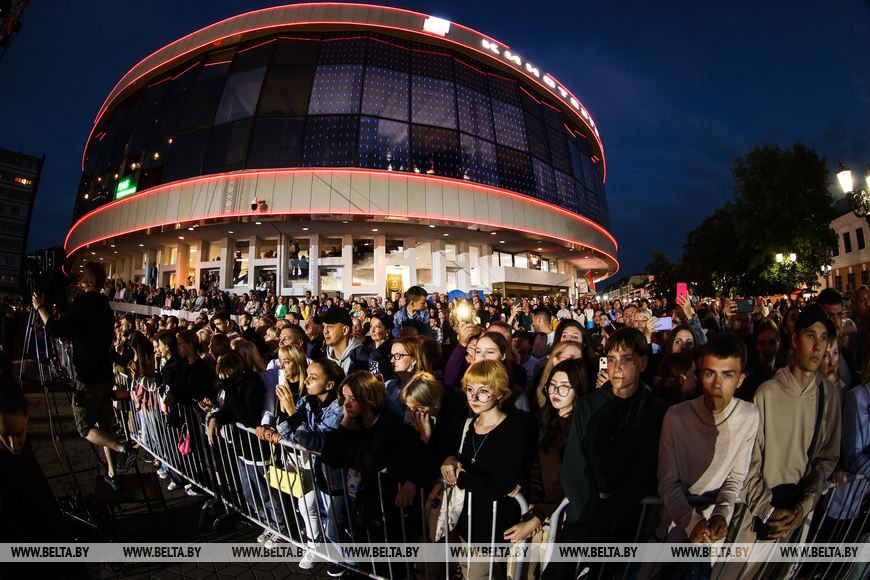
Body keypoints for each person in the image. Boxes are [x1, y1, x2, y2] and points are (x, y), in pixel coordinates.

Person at [733, 304, 842, 578]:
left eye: (823, 338)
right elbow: (748, 461)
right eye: (810, 336)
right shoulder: (766, 393)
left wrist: (802, 508)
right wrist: (765, 509)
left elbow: (826, 460)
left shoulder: (830, 397)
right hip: (757, 520)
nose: (817, 346)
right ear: (794, 340)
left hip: (796, 519)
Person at [555, 327, 667, 579]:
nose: (617, 367)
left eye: (626, 359)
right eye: (612, 359)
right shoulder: (587, 405)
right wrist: (593, 515)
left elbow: (647, 468)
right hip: (584, 520)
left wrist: (615, 512)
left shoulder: (656, 410)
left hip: (630, 522)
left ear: (642, 362)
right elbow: (574, 466)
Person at [32, 261, 136, 490]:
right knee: (105, 428)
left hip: (87, 378)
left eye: (84, 274)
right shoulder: (105, 307)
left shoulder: (82, 303)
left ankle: (122, 448)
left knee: (85, 428)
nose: (79, 276)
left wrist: (41, 308)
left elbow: (58, 330)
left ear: (90, 280)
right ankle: (112, 473)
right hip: (104, 375)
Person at [654, 334, 758, 555]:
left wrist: (721, 513)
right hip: (672, 529)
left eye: (727, 375)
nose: (717, 384)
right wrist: (691, 522)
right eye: (710, 373)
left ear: (740, 379)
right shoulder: (676, 417)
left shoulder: (749, 415)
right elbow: (667, 482)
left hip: (713, 535)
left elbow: (736, 477)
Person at [441, 360, 529, 580]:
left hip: (492, 529)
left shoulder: (513, 430)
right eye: (470, 390)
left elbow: (501, 484)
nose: (474, 397)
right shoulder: (468, 425)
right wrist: (450, 460)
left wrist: (461, 478)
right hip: (464, 522)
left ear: (499, 393)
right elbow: (456, 456)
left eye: (482, 391)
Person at [504, 359, 589, 578]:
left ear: (578, 389)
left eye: (564, 386)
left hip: (562, 514)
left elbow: (567, 477)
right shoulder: (542, 419)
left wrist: (537, 516)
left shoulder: (583, 427)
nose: (555, 392)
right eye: (552, 385)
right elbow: (535, 465)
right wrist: (533, 502)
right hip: (539, 510)